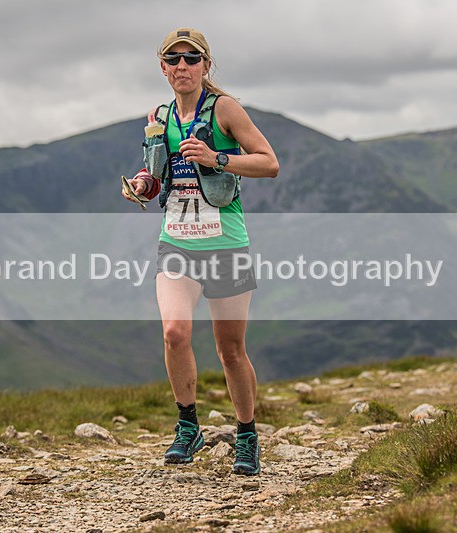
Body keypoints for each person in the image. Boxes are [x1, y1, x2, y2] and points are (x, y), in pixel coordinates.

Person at [123, 27, 278, 475]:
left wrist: (217, 158)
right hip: (177, 240)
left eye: (192, 59)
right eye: (173, 59)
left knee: (230, 349)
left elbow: (269, 162)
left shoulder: (225, 109)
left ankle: (247, 434)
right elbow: (158, 174)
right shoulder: (158, 115)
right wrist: (142, 184)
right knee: (174, 332)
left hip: (226, 242)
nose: (182, 67)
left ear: (206, 65)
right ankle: (188, 426)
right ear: (163, 68)